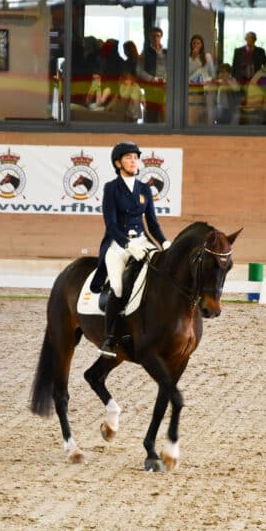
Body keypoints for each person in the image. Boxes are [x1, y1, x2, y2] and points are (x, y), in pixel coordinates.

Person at [91, 141, 171, 357]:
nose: (133, 160)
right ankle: (108, 338)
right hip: (118, 244)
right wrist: (127, 245)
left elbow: (152, 223)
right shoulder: (111, 188)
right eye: (128, 158)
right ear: (118, 163)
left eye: (135, 157)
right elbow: (111, 224)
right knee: (117, 287)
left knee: (160, 274)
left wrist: (164, 243)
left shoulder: (144, 188)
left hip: (143, 242)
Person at [139, 27, 167, 123]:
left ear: (161, 37)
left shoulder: (166, 52)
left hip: (164, 86)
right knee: (151, 113)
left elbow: (172, 68)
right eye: (153, 36)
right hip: (151, 85)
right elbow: (139, 70)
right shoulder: (146, 52)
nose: (156, 38)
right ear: (150, 37)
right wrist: (151, 79)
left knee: (164, 113)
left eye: (158, 36)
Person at [187, 34, 215, 125]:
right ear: (191, 44)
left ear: (202, 45)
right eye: (194, 43)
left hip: (204, 87)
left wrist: (207, 80)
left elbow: (212, 73)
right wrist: (194, 58)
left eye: (198, 43)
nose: (196, 45)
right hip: (191, 88)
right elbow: (187, 72)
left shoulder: (207, 56)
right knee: (192, 111)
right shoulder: (188, 58)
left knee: (203, 110)